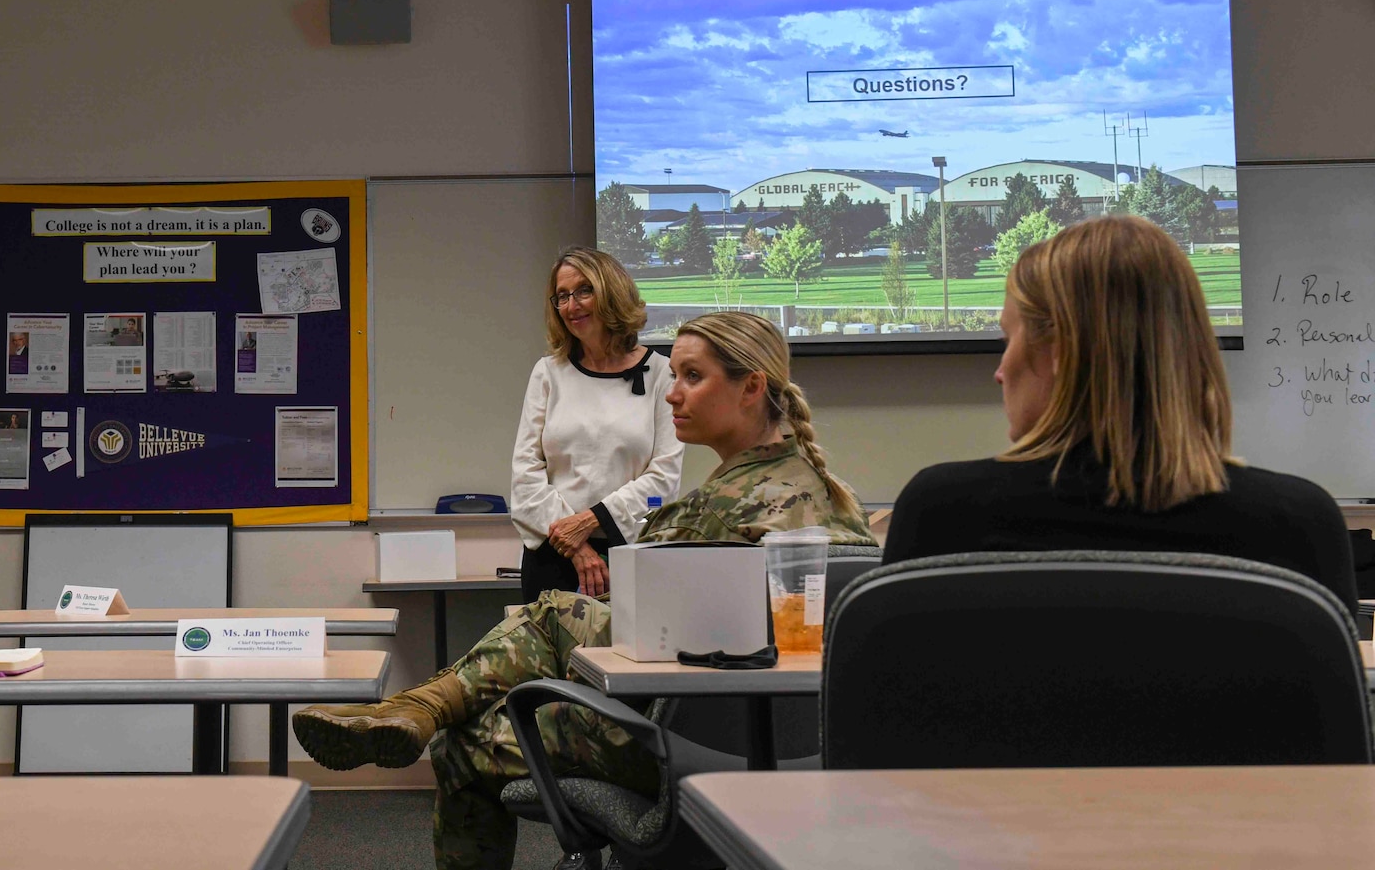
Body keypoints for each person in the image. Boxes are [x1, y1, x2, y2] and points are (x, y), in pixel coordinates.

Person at [297, 311, 873, 870]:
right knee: (555, 619)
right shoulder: (820, 494)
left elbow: (640, 644)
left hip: (672, 743)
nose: (672, 395)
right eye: (674, 377)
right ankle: (415, 709)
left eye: (692, 378)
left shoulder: (715, 516)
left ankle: (418, 709)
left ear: (752, 387)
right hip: (792, 747)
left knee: (465, 735)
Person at [884, 215, 1356, 606]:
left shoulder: (943, 515)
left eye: (1009, 341)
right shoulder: (1298, 526)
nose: (1000, 372)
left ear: (1058, 352)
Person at [510, 246, 685, 601]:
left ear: (612, 292)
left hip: (631, 552)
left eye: (584, 291)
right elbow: (525, 475)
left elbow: (663, 480)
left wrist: (591, 521)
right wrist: (577, 547)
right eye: (562, 296)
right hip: (553, 554)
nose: (572, 306)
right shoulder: (548, 373)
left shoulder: (663, 373)